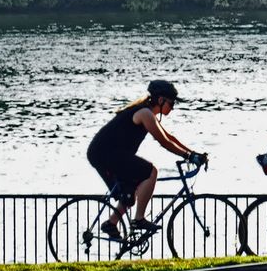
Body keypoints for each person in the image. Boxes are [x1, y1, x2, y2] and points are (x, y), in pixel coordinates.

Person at [87, 80, 208, 238]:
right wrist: (188, 156)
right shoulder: (145, 114)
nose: (172, 108)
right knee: (150, 171)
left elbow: (169, 137)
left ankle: (111, 223)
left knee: (130, 192)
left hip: (108, 153)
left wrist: (193, 153)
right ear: (160, 100)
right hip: (105, 154)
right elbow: (163, 142)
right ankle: (139, 220)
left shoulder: (148, 114)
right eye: (171, 104)